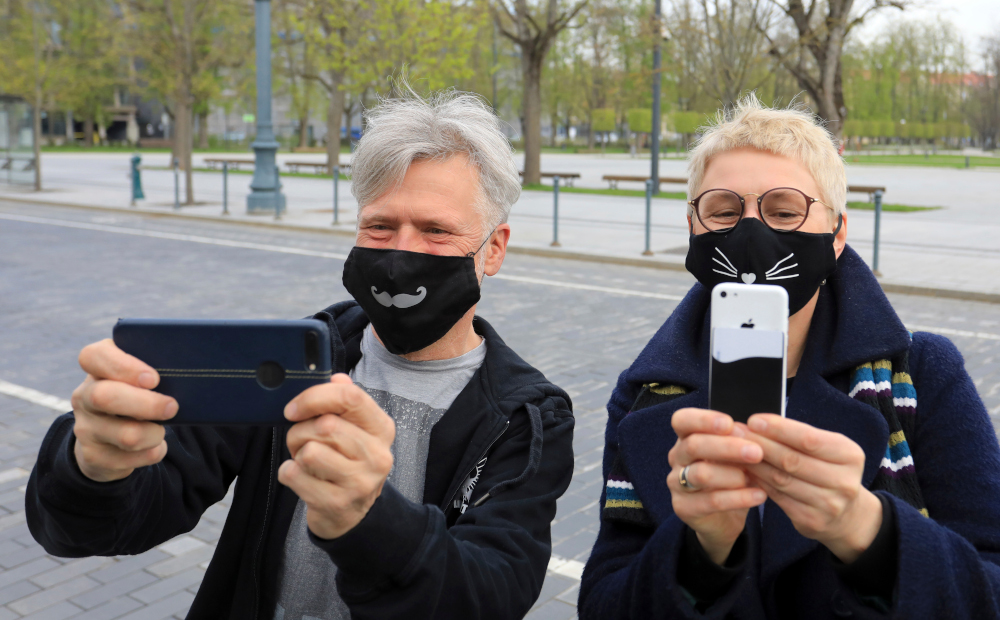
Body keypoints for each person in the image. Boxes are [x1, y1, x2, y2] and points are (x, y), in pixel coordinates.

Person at [26, 90, 575, 620]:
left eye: (436, 232)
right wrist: (91, 465)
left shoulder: (527, 417)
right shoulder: (286, 364)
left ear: (493, 248)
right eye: (379, 226)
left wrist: (369, 518)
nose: (402, 253)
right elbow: (103, 523)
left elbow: (489, 594)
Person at [578, 94, 1000, 619]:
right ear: (692, 228)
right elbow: (603, 602)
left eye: (784, 211)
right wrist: (699, 553)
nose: (752, 231)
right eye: (724, 212)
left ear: (837, 232)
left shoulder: (922, 374)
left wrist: (869, 531)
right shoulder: (649, 392)